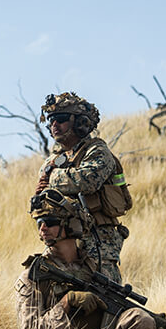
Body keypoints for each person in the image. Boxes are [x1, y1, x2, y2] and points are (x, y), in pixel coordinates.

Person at [16, 190, 155, 329]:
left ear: (71, 225)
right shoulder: (35, 275)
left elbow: (116, 321)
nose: (43, 229)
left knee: (141, 319)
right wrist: (65, 303)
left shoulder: (95, 271)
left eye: (49, 222)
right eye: (39, 223)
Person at [35, 92, 132, 283]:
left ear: (80, 123)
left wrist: (52, 177)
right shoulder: (53, 160)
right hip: (63, 240)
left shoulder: (97, 151)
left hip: (97, 240)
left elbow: (88, 180)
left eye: (61, 119)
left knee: (103, 294)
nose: (55, 125)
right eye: (51, 120)